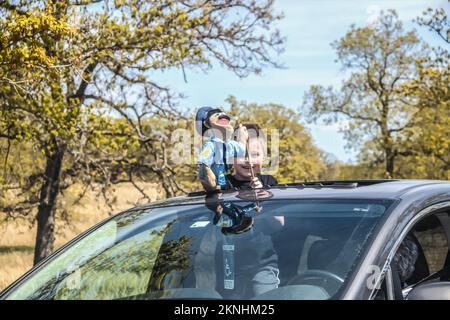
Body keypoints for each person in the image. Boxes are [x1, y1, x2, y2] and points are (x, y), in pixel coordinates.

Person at [195, 107, 248, 192]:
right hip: (213, 184)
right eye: (217, 115)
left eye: (223, 114)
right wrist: (211, 183)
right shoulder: (211, 145)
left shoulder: (230, 144)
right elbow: (203, 163)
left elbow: (242, 150)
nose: (223, 116)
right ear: (207, 124)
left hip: (224, 184)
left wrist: (242, 138)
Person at [226, 123, 278, 190]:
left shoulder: (270, 182)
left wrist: (262, 192)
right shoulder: (223, 184)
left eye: (255, 155)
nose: (248, 160)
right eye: (241, 154)